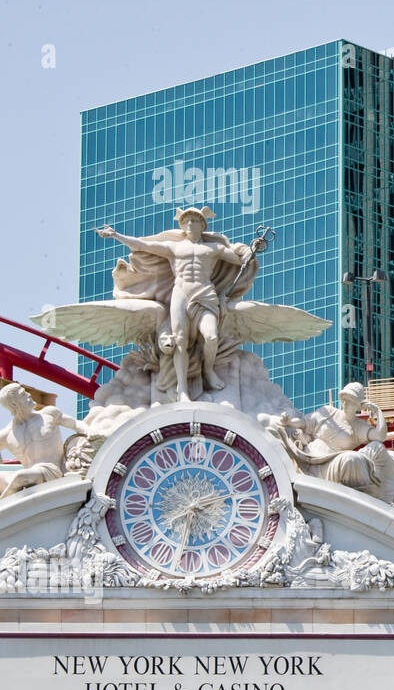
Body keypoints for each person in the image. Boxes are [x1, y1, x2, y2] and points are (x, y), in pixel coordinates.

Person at [95, 207, 250, 400]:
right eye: (187, 221)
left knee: (211, 337)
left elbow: (240, 260)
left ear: (203, 225)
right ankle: (182, 389)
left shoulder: (214, 248)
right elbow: (142, 245)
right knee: (179, 340)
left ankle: (208, 370)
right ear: (183, 226)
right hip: (181, 293)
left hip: (205, 293)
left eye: (195, 221)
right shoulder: (174, 247)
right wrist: (117, 235)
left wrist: (249, 250)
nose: (190, 224)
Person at [0, 384, 85, 499]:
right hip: (30, 476)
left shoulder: (49, 414)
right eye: (23, 394)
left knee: (20, 476)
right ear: (14, 404)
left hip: (52, 472)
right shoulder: (7, 434)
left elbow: (75, 423)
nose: (29, 395)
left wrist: (91, 432)